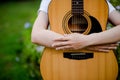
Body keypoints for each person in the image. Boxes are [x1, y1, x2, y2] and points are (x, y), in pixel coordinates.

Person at [31, 0, 120, 52]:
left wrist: (87, 41)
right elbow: (36, 35)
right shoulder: (50, 1)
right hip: (61, 64)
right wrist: (81, 44)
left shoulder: (99, 2)